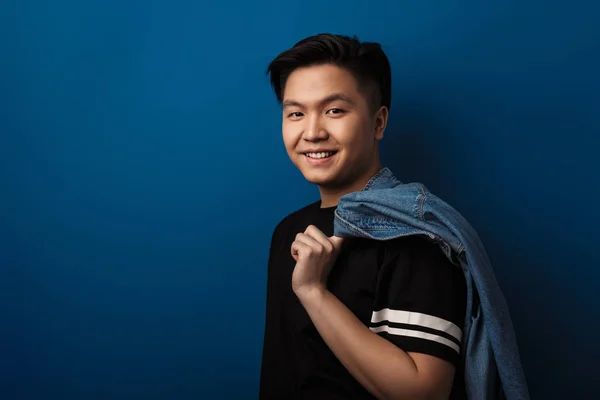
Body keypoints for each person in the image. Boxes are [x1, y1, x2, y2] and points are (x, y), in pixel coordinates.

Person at [259, 33, 467, 400]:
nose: (312, 132)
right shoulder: (288, 231)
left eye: (334, 110)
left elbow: (424, 392)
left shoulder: (414, 235)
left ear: (378, 123)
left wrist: (312, 292)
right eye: (296, 113)